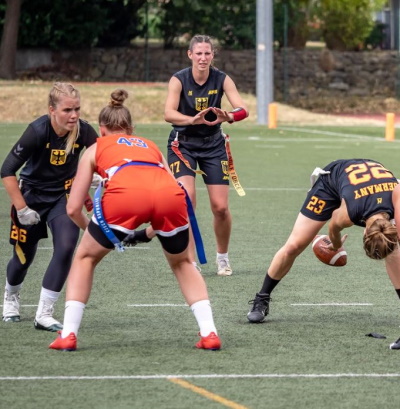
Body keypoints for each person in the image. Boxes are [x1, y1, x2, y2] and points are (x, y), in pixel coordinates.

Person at [49, 89, 221, 351]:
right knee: (183, 263)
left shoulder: (95, 148)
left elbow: (73, 209)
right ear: (131, 129)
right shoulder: (150, 146)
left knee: (85, 258)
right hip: (172, 196)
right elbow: (162, 191)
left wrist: (97, 233)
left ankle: (68, 335)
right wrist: (149, 232)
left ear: (101, 128)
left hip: (125, 197)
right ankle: (209, 333)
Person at [247, 159, 400, 349]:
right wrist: (335, 245)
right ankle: (261, 298)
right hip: (333, 181)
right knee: (295, 244)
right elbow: (334, 226)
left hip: (369, 186)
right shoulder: (349, 213)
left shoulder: (397, 202)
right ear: (363, 232)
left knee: (394, 254)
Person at [1, 82, 98, 331]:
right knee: (23, 258)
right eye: (67, 110)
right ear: (52, 110)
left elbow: (102, 156)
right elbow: (7, 170)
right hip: (31, 196)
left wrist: (97, 174)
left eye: (77, 109)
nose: (74, 115)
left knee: (66, 247)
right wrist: (22, 208)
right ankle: (11, 297)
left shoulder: (84, 130)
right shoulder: (37, 130)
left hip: (63, 196)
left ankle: (44, 313)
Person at [164, 34, 249, 276]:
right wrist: (191, 119)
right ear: (190, 55)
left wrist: (229, 116)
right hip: (183, 146)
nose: (203, 57)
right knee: (186, 199)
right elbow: (168, 113)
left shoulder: (221, 78)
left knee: (220, 207)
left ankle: (222, 258)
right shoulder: (179, 79)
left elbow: (243, 110)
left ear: (213, 55)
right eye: (198, 53)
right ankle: (189, 260)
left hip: (214, 146)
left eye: (207, 53)